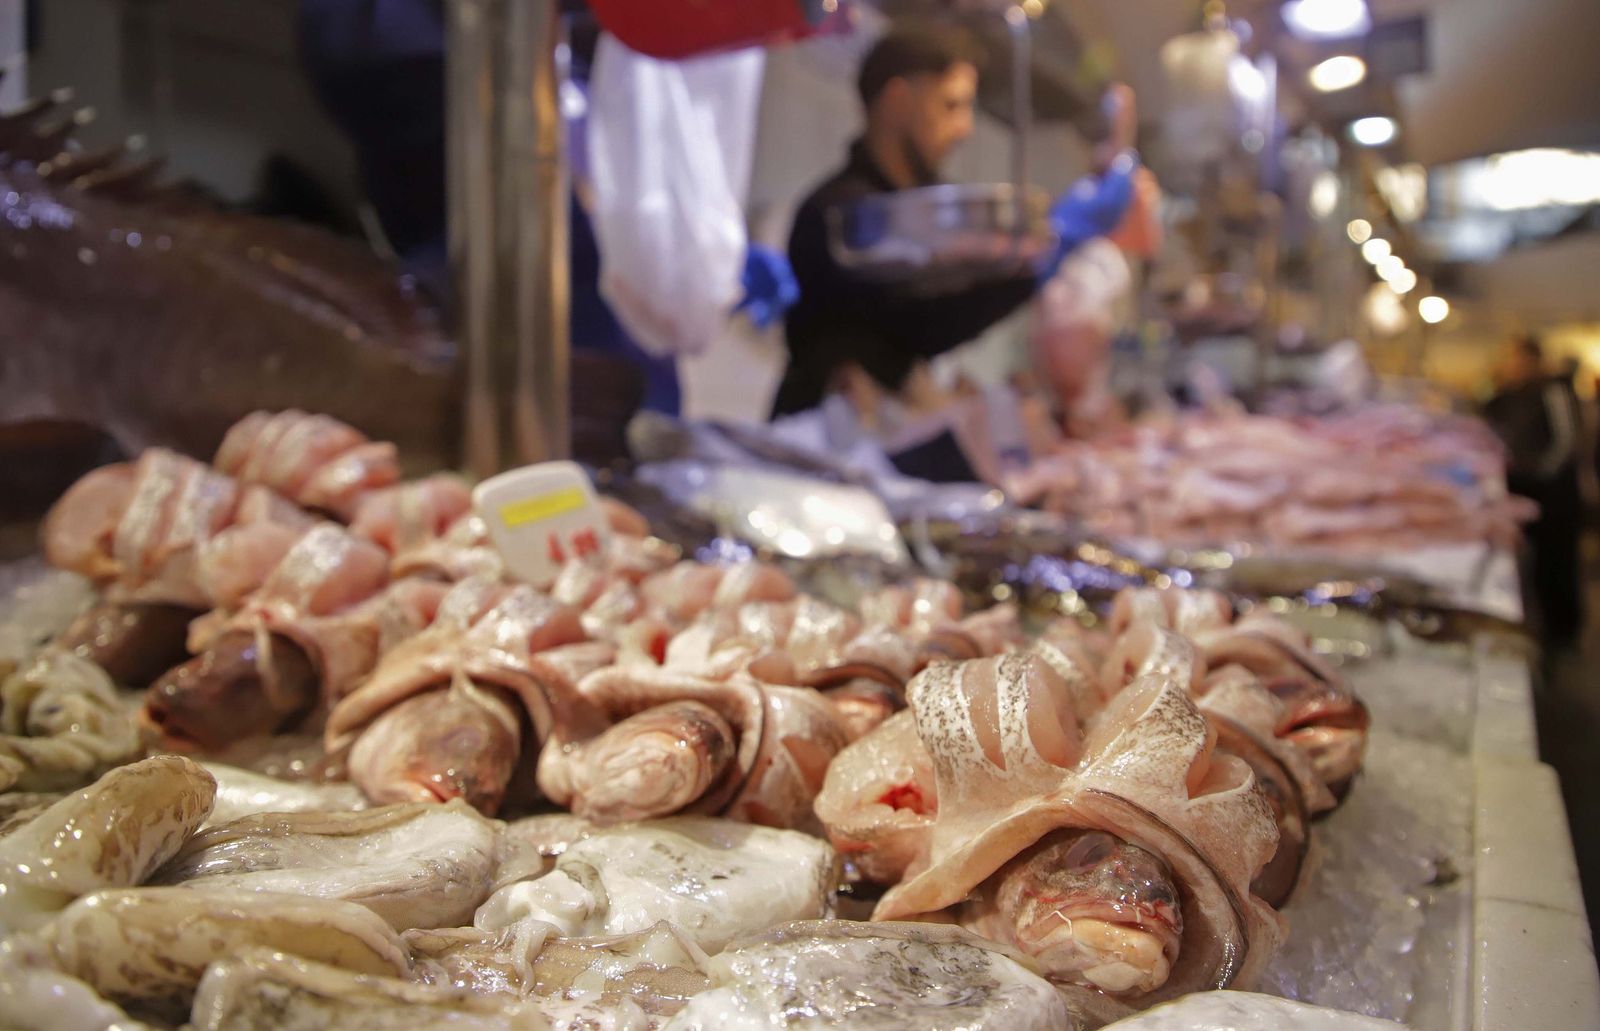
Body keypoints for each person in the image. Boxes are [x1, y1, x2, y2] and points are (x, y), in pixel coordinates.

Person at [772, 22, 1134, 419]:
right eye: (950, 105)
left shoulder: (932, 210)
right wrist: (1046, 249)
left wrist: (1036, 247)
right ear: (898, 101)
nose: (965, 129)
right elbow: (922, 319)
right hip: (817, 439)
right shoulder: (839, 214)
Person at [1483, 334, 1584, 645]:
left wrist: (1538, 472)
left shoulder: (1553, 391)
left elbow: (1567, 440)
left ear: (1535, 360)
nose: (1514, 365)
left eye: (1519, 359)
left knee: (1557, 563)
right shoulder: (1510, 395)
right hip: (1523, 489)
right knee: (1528, 565)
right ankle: (1537, 628)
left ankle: (1563, 633)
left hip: (1555, 494)